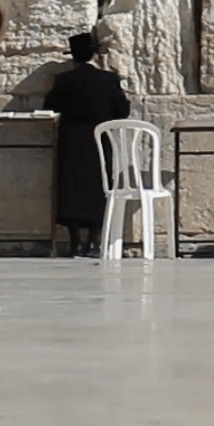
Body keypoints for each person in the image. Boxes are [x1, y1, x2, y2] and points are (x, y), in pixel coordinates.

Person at [44, 31, 131, 257]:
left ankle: (75, 242)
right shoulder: (110, 80)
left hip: (71, 141)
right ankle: (93, 242)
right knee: (99, 187)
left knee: (71, 188)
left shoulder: (64, 80)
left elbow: (49, 107)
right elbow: (123, 110)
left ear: (73, 56)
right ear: (95, 54)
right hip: (101, 141)